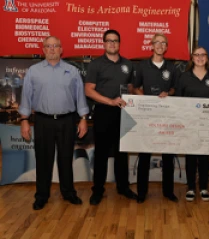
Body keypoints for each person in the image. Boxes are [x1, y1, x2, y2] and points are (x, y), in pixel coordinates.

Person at [19, 36, 89, 210]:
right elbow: (26, 98)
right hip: (43, 121)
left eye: (55, 46)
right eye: (48, 46)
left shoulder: (71, 71)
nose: (51, 49)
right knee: (43, 160)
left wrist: (83, 119)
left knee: (66, 158)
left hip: (67, 120)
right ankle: (42, 195)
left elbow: (80, 97)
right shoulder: (33, 71)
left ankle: (68, 193)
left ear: (61, 49)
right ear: (43, 50)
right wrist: (24, 120)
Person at [85, 29, 137, 205]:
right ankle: (98, 190)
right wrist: (110, 101)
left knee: (122, 152)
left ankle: (123, 187)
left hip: (123, 112)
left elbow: (130, 89)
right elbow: (89, 90)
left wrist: (133, 99)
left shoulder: (128, 64)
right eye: (109, 41)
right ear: (104, 43)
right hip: (103, 112)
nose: (112, 43)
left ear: (119, 44)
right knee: (101, 154)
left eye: (115, 41)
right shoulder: (96, 64)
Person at [132, 33, 179, 203]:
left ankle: (168, 191)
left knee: (168, 155)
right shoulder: (142, 66)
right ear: (151, 45)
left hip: (167, 116)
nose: (160, 45)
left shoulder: (172, 68)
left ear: (166, 47)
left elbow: (175, 89)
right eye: (156, 42)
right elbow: (135, 87)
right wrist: (145, 98)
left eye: (163, 43)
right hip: (147, 116)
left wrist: (169, 93)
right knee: (144, 154)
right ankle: (142, 193)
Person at [176, 46, 209, 202]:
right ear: (192, 58)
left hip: (207, 124)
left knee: (204, 157)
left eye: (203, 54)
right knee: (190, 157)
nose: (200, 57)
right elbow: (177, 100)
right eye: (197, 55)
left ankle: (203, 187)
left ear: (207, 58)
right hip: (189, 123)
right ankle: (190, 188)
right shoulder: (184, 77)